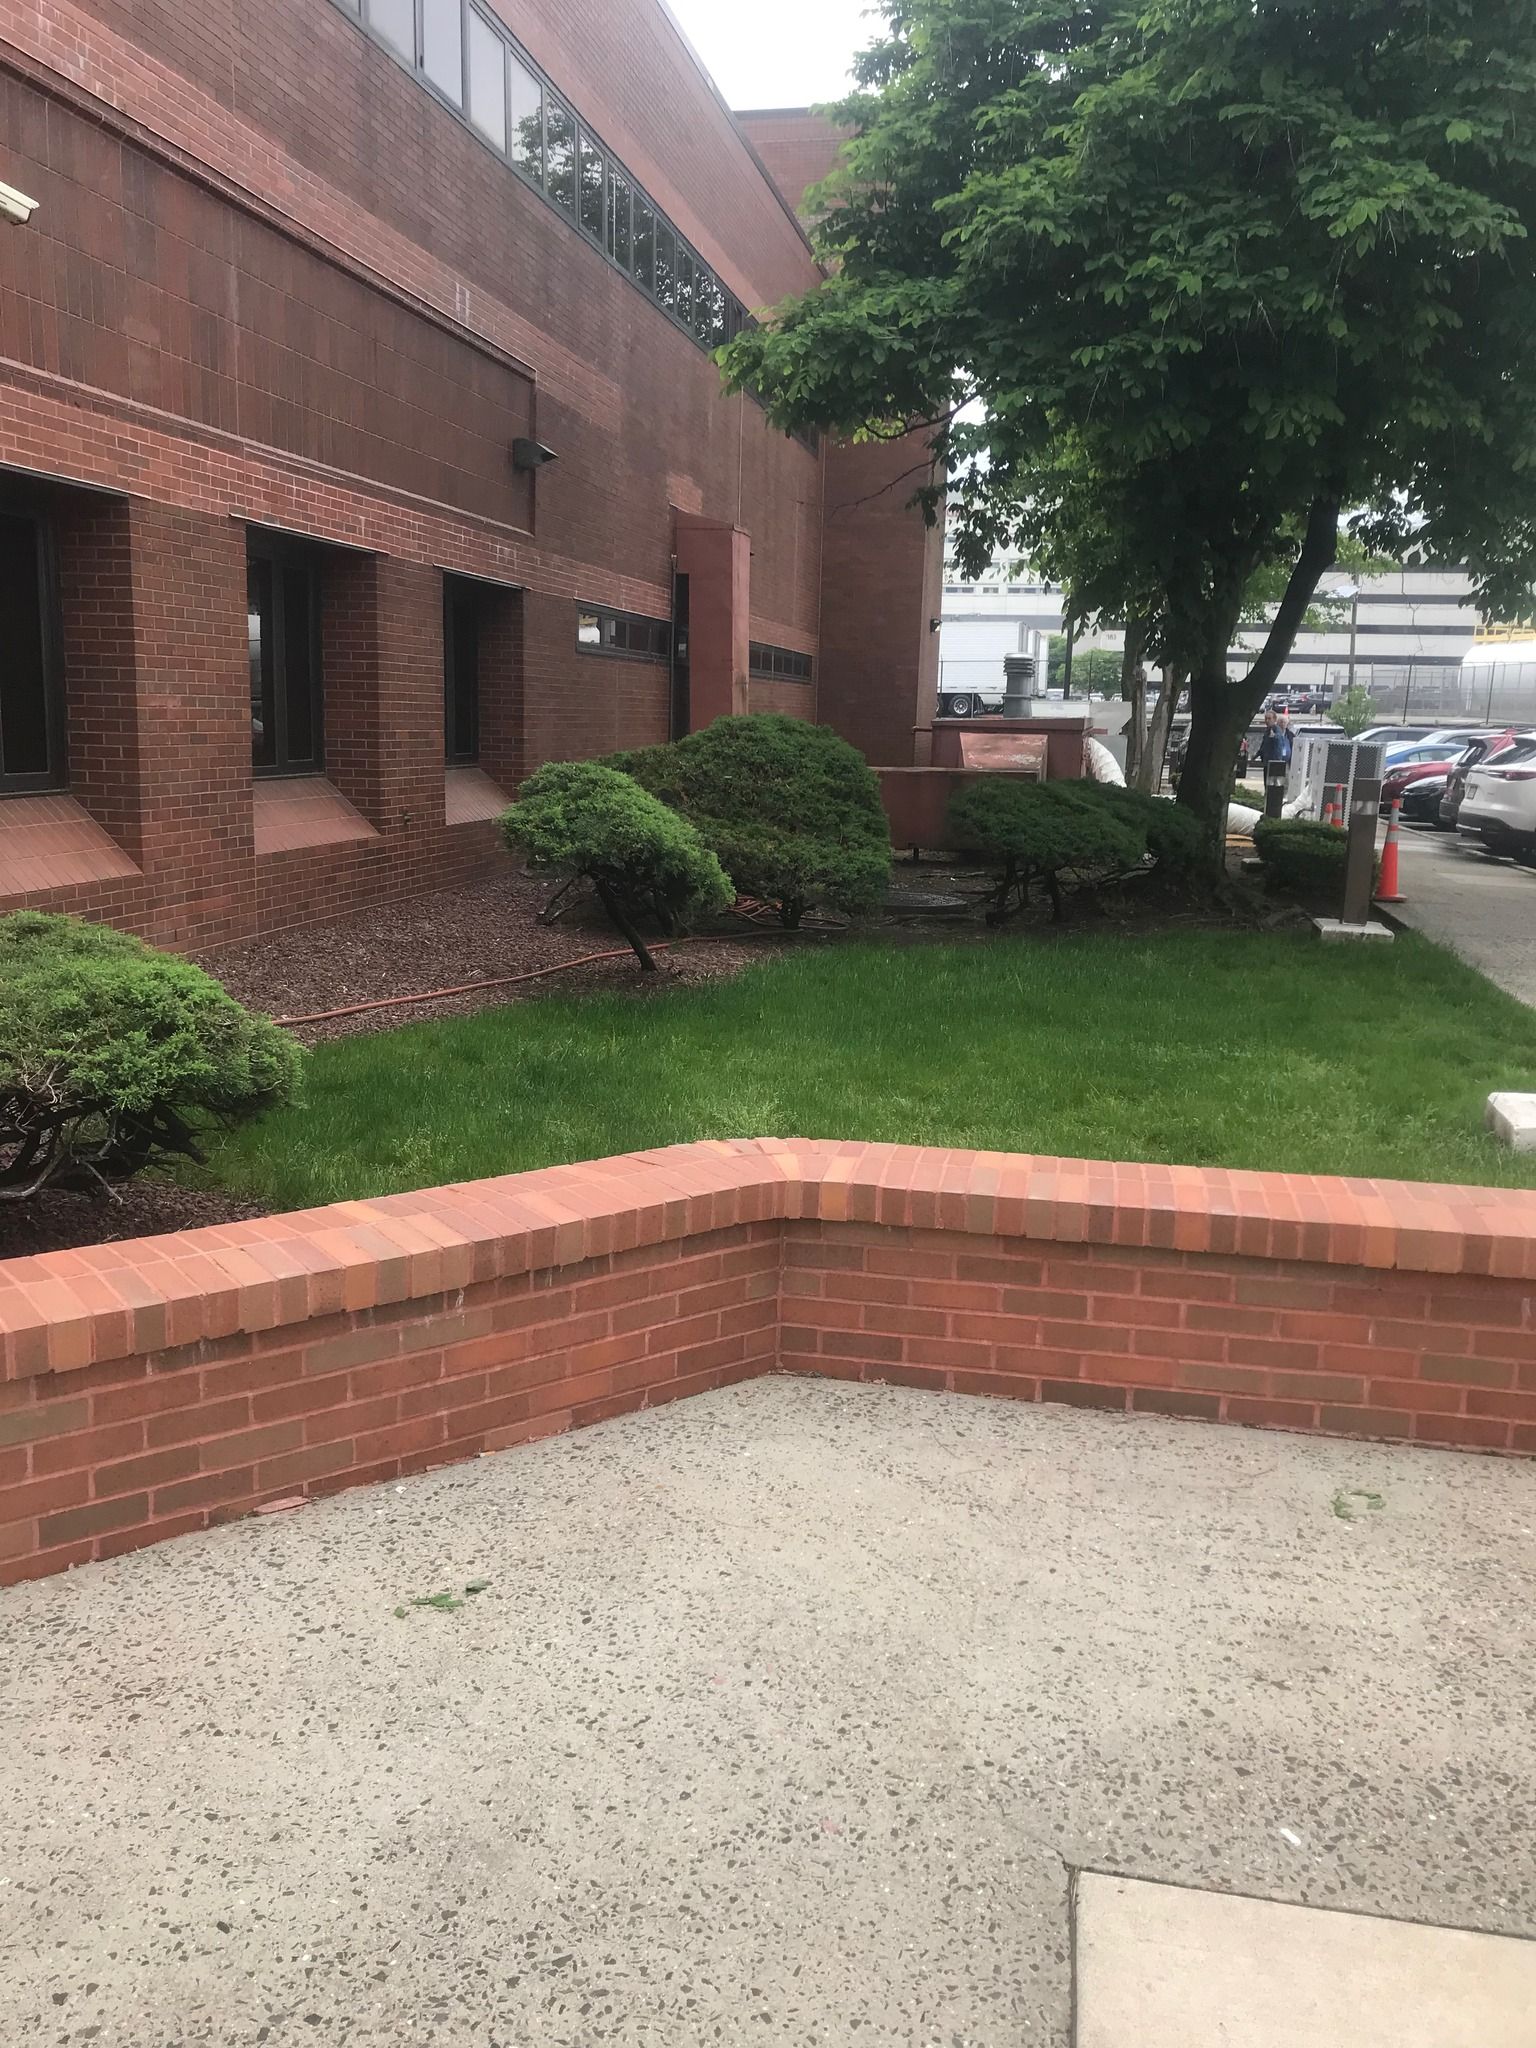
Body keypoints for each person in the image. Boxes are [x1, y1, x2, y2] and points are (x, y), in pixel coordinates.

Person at [1256, 710, 1294, 818]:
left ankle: (1271, 812)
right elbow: (1263, 746)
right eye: (1266, 718)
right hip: (1267, 763)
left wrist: (1277, 764)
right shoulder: (1267, 731)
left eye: (1269, 718)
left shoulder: (1276, 731)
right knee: (1267, 787)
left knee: (1273, 789)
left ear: (1274, 720)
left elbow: (1279, 745)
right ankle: (1266, 808)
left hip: (1274, 765)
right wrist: (1257, 755)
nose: (1267, 721)